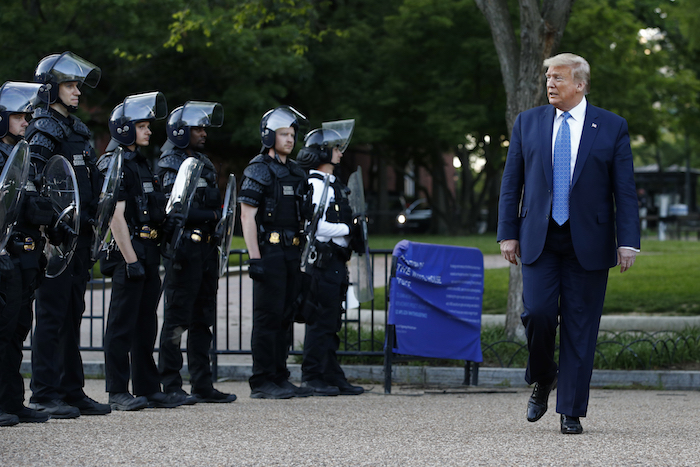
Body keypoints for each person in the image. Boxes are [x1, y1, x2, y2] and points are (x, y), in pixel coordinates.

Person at [497, 53, 640, 435]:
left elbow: (624, 190)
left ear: (580, 84)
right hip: (539, 238)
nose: (549, 83)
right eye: (547, 76)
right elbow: (512, 183)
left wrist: (628, 241)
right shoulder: (528, 122)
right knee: (538, 313)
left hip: (589, 242)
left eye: (558, 77)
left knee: (581, 326)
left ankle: (571, 410)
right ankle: (544, 376)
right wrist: (507, 232)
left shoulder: (612, 126)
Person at [26, 52, 110, 419]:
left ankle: (71, 390)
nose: (77, 92)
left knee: (74, 312)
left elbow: (90, 181)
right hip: (54, 241)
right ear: (50, 88)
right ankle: (44, 392)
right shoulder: (42, 128)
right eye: (70, 85)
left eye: (77, 86)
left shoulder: (76, 129)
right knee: (51, 315)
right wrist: (51, 227)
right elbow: (30, 184)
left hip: (81, 236)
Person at [99, 92, 186, 411]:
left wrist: (167, 219)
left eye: (149, 125)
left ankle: (148, 387)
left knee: (145, 324)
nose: (149, 131)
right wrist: (131, 259)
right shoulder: (116, 162)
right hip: (130, 251)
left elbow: (149, 207)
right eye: (143, 125)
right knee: (122, 323)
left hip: (148, 249)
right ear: (124, 128)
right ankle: (117, 391)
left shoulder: (141, 163)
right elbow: (114, 214)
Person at [156, 101, 236, 404]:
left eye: (204, 128)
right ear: (180, 131)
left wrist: (217, 221)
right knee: (177, 318)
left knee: (204, 319)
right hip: (183, 250)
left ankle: (203, 383)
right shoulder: (169, 163)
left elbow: (215, 205)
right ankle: (171, 383)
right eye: (197, 128)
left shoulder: (204, 162)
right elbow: (174, 209)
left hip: (206, 250)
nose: (204, 133)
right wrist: (210, 216)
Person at [239, 105, 312, 399]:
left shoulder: (295, 171)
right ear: (269, 136)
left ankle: (280, 376)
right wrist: (254, 257)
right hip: (269, 252)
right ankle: (262, 380)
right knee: (267, 318)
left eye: (292, 134)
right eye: (284, 134)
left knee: (285, 316)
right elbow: (246, 216)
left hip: (292, 252)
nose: (290, 139)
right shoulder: (258, 168)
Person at [295, 125, 365, 396]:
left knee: (332, 321)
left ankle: (331, 373)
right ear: (322, 152)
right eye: (335, 148)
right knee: (321, 321)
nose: (339, 153)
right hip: (322, 263)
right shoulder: (315, 185)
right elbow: (316, 227)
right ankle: (313, 375)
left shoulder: (332, 185)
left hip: (336, 263)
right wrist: (349, 230)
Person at [0, 82, 54, 425]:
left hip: (27, 253)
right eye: (19, 115)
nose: (26, 121)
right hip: (5, 253)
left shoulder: (24, 156)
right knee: (2, 331)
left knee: (18, 330)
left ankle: (13, 401)